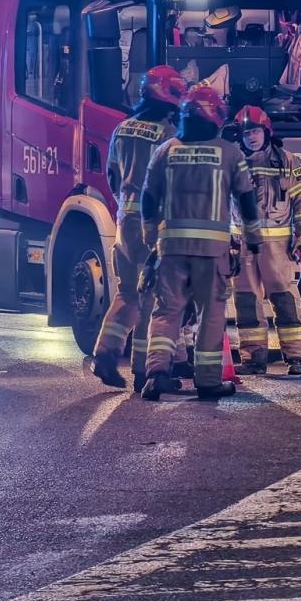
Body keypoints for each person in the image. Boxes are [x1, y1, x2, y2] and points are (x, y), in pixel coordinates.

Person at [139, 85, 263, 400]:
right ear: (215, 116)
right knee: (212, 313)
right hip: (212, 253)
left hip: (171, 251)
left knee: (166, 312)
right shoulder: (230, 153)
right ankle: (207, 381)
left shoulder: (166, 150)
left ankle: (155, 374)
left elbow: (148, 198)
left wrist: (149, 236)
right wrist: (253, 238)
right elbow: (247, 201)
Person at [89, 65, 187, 390]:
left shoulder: (122, 127)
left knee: (127, 292)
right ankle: (144, 372)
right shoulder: (167, 133)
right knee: (154, 298)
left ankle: (104, 353)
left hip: (124, 220)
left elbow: (111, 174)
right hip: (152, 224)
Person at [229, 106, 301, 376]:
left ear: (265, 131)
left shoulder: (287, 160)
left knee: (285, 299)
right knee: (246, 302)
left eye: (254, 131)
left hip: (278, 245)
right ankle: (253, 359)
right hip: (241, 245)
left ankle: (295, 358)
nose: (250, 137)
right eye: (245, 133)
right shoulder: (231, 160)